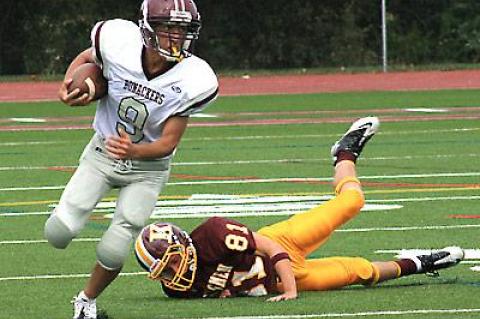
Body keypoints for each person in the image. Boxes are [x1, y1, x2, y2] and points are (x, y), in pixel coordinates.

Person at [134, 117, 465, 301]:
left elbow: (271, 247)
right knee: (362, 273)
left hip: (282, 246)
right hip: (278, 282)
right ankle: (422, 263)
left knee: (352, 202)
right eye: (162, 271)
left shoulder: (213, 234)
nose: (170, 274)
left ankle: (345, 153)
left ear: (184, 246)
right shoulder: (178, 290)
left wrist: (290, 289)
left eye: (171, 263)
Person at [43, 0, 218, 318]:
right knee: (58, 232)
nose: (176, 37)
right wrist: (69, 85)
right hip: (103, 152)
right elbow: (87, 57)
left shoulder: (194, 78)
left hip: (148, 169)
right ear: (148, 28)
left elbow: (168, 142)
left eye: (182, 30)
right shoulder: (118, 43)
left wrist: (134, 151)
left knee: (114, 247)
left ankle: (86, 302)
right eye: (169, 29)